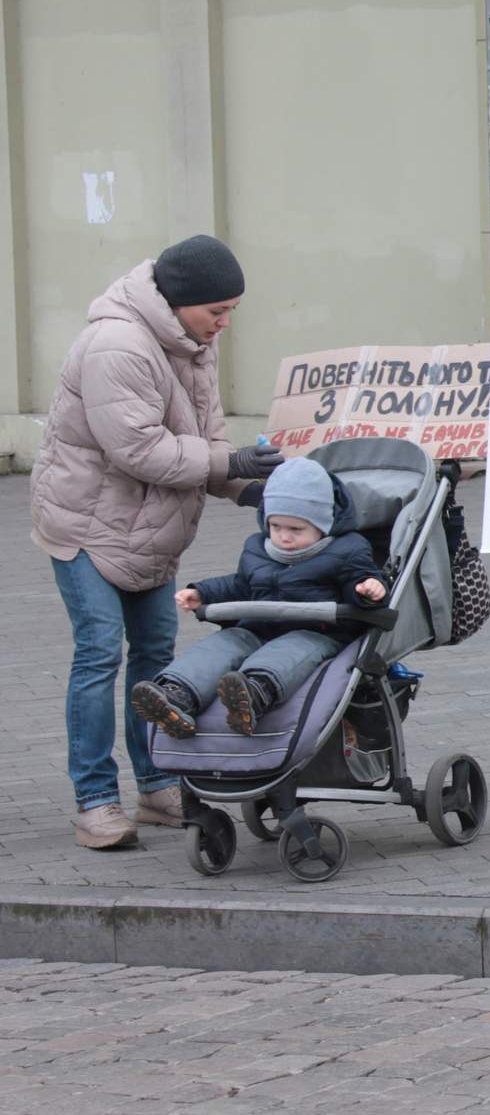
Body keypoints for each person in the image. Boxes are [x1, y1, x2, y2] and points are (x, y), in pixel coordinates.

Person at [31, 235, 281, 849]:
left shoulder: (193, 342)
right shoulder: (117, 345)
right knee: (98, 656)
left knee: (156, 661)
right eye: (216, 311)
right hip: (88, 526)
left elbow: (206, 437)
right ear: (177, 300)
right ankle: (95, 801)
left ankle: (157, 786)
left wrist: (253, 489)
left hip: (149, 529)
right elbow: (141, 450)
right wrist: (234, 460)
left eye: (231, 312)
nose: (224, 324)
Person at [129, 458, 387, 738]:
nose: (283, 537)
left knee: (288, 652)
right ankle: (177, 695)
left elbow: (360, 580)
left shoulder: (347, 549)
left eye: (295, 530)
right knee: (221, 645)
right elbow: (240, 584)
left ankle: (254, 693)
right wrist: (202, 592)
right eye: (275, 527)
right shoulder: (258, 547)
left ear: (324, 524)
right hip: (258, 627)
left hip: (316, 630)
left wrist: (369, 589)